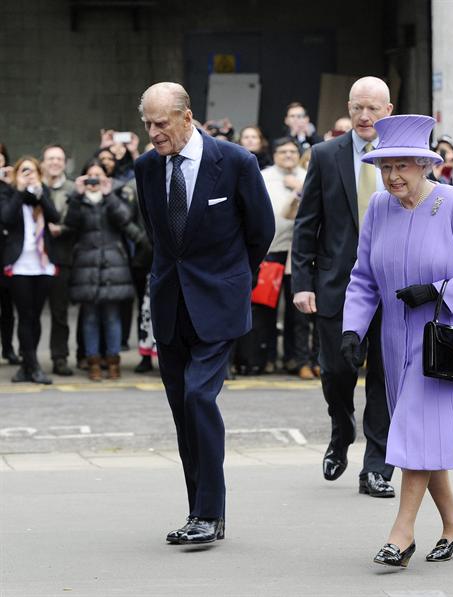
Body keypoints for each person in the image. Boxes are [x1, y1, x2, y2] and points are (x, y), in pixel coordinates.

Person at [343, 114, 453, 567]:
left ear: (424, 165)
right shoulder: (378, 207)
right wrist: (353, 330)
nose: (393, 176)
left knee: (415, 430)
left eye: (402, 166)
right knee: (421, 436)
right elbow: (363, 279)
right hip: (394, 341)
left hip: (444, 340)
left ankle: (402, 533)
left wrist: (438, 291)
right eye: (385, 167)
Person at [134, 82, 274, 545]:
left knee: (199, 398)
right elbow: (156, 233)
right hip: (171, 304)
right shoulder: (146, 168)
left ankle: (210, 514)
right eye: (147, 124)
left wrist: (235, 278)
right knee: (182, 410)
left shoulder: (234, 162)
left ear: (187, 117)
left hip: (218, 302)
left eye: (161, 123)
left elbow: (261, 230)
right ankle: (199, 511)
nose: (153, 133)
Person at [292, 76, 395, 498]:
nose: (365, 116)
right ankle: (341, 431)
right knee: (336, 371)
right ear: (349, 110)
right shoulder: (325, 155)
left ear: (389, 111)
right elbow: (306, 225)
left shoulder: (403, 157)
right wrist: (302, 282)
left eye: (373, 108)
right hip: (338, 285)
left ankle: (376, 465)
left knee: (385, 379)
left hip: (392, 286)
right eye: (357, 108)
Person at [65, 159, 143, 381]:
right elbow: (71, 225)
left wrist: (109, 196)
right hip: (86, 266)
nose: (94, 180)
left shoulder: (115, 196)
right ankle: (93, 362)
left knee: (111, 317)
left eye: (98, 175)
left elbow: (125, 220)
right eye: (90, 176)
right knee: (89, 317)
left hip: (113, 265)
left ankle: (113, 361)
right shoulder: (77, 199)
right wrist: (78, 196)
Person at [0, 156, 61, 384]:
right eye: (24, 171)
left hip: (43, 262)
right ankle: (34, 366)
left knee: (35, 317)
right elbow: (5, 219)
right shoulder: (8, 193)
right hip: (20, 264)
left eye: (32, 171)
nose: (29, 174)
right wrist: (20, 190)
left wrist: (39, 193)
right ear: (16, 174)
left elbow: (55, 217)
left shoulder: (41, 192)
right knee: (24, 316)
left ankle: (27, 366)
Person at [260, 137, 313, 378]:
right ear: (274, 154)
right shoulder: (264, 176)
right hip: (271, 249)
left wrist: (297, 188)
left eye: (293, 151)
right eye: (284, 152)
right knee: (267, 307)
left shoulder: (306, 175)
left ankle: (295, 357)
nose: (289, 155)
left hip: (298, 252)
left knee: (297, 310)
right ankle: (268, 356)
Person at [41, 144, 76, 376]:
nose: (55, 162)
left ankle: (59, 357)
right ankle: (28, 357)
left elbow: (81, 222)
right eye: (50, 158)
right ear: (43, 162)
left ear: (64, 162)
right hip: (32, 259)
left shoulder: (73, 189)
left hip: (61, 258)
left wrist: (62, 229)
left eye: (59, 158)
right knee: (30, 314)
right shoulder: (34, 187)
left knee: (59, 312)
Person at [0, 143, 19, 366]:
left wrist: (10, 183)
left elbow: (11, 215)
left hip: (6, 254)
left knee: (8, 308)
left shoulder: (10, 187)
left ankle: (8, 347)